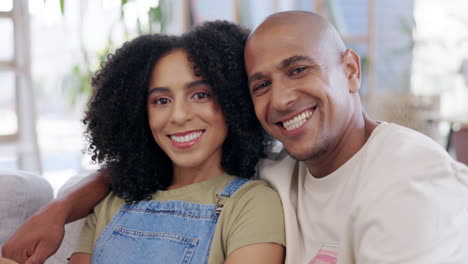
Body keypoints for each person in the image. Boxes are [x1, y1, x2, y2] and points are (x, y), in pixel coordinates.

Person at [3, 11, 468, 264]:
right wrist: (59, 209)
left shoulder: (412, 184)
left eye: (299, 69)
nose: (282, 99)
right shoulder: (281, 166)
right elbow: (143, 170)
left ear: (350, 70)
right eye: (261, 84)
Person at [2, 22, 286, 264]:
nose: (178, 116)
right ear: (139, 114)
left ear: (232, 102)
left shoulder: (252, 203)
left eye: (200, 95)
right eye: (161, 100)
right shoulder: (111, 203)